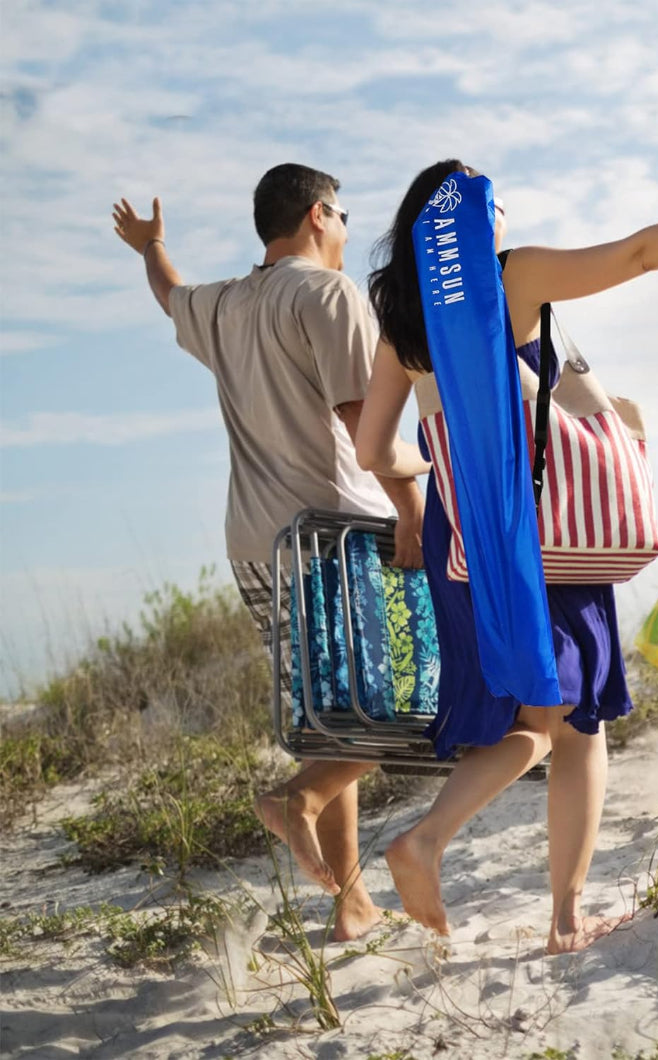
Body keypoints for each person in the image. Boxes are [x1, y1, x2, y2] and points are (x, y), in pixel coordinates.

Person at [356, 151, 658, 952]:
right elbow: (639, 253)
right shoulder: (508, 277)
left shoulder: (405, 320)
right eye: (497, 199)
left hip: (463, 540)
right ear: (475, 219)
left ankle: (432, 841)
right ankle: (558, 917)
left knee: (531, 722)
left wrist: (447, 462)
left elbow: (376, 449)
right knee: (577, 724)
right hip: (540, 533)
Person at [111, 163, 429, 941]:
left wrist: (151, 247)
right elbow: (370, 431)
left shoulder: (221, 303)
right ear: (319, 215)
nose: (350, 231)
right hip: (339, 534)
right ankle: (301, 800)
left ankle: (350, 902)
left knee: (335, 720)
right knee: (418, 700)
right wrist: (416, 516)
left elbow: (167, 295)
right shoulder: (326, 295)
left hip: (258, 546)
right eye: (345, 215)